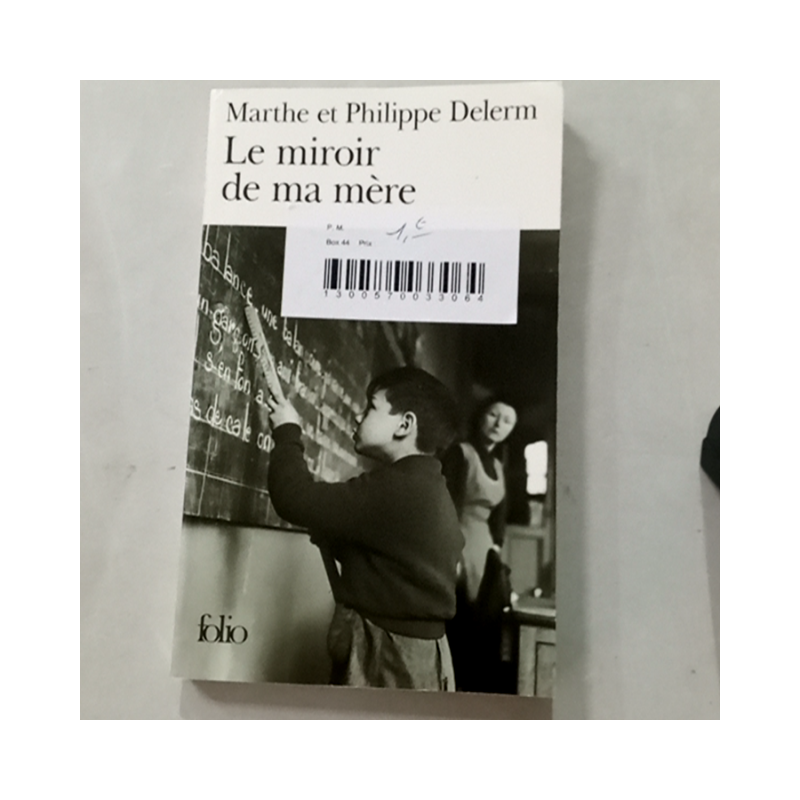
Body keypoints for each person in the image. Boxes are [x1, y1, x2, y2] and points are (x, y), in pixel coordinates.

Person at [266, 366, 463, 691]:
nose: (359, 416)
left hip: (390, 657)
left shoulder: (397, 486)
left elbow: (292, 498)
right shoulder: (426, 484)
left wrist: (287, 431)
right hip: (419, 656)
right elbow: (394, 564)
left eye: (372, 407)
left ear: (404, 425)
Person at [442, 397, 518, 692]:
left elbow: (499, 517)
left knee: (484, 628)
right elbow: (446, 505)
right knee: (459, 625)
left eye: (507, 420)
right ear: (481, 416)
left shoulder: (498, 465)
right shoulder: (460, 453)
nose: (499, 424)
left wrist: (496, 549)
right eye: (493, 415)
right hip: (457, 543)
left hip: (485, 552)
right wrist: (451, 554)